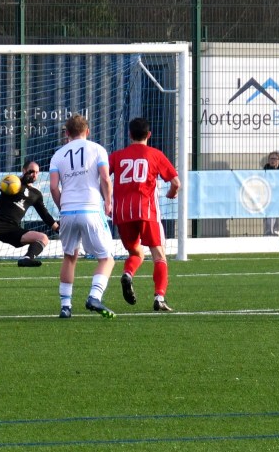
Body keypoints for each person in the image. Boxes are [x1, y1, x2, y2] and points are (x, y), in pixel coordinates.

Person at [109, 118, 181, 312]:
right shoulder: (155, 154)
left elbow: (102, 177)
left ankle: (128, 273)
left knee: (136, 252)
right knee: (159, 255)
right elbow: (176, 183)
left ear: (129, 135)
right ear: (149, 135)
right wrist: (171, 193)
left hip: (123, 213)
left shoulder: (117, 156)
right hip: (146, 211)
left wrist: (107, 200)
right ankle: (159, 297)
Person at [49, 114, 116, 319]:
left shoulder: (58, 155)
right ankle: (94, 296)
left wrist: (62, 206)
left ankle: (65, 306)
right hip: (90, 209)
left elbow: (53, 187)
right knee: (106, 258)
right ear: (87, 131)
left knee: (70, 257)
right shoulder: (97, 149)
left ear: (67, 134)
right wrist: (108, 201)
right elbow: (105, 178)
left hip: (67, 211)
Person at [262, 151, 279, 236]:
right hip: (268, 198)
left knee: (278, 217)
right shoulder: (265, 171)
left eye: (275, 158)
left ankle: (277, 235)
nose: (272, 160)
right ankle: (268, 235)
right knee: (268, 218)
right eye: (271, 158)